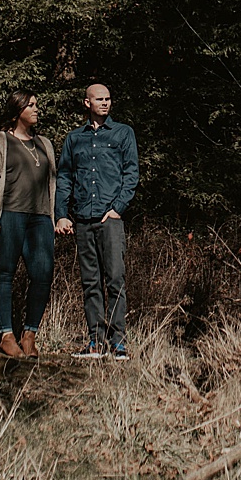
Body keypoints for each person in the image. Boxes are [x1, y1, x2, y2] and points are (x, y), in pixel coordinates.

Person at [55, 83, 138, 360]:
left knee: (115, 278)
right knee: (90, 282)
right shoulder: (74, 139)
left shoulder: (123, 133)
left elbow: (131, 173)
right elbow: (65, 176)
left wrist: (118, 208)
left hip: (109, 219)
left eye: (108, 99)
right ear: (86, 102)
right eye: (99, 99)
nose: (105, 103)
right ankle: (95, 343)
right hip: (82, 219)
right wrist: (62, 214)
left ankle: (118, 344)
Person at [0, 92, 57, 358]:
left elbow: (52, 184)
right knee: (4, 274)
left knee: (43, 274)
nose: (37, 109)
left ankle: (30, 334)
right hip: (9, 215)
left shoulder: (44, 144)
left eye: (37, 104)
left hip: (40, 218)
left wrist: (54, 218)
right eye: (31, 105)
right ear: (17, 110)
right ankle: (6, 335)